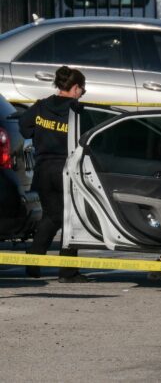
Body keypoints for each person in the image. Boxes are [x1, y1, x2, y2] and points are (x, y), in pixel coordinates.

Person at [19, 65, 89, 283]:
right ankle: (67, 271)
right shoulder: (77, 110)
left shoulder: (41, 106)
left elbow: (24, 127)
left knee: (52, 216)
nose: (82, 93)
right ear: (75, 88)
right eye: (82, 89)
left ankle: (33, 260)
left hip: (43, 170)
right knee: (71, 220)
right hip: (66, 171)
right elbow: (91, 138)